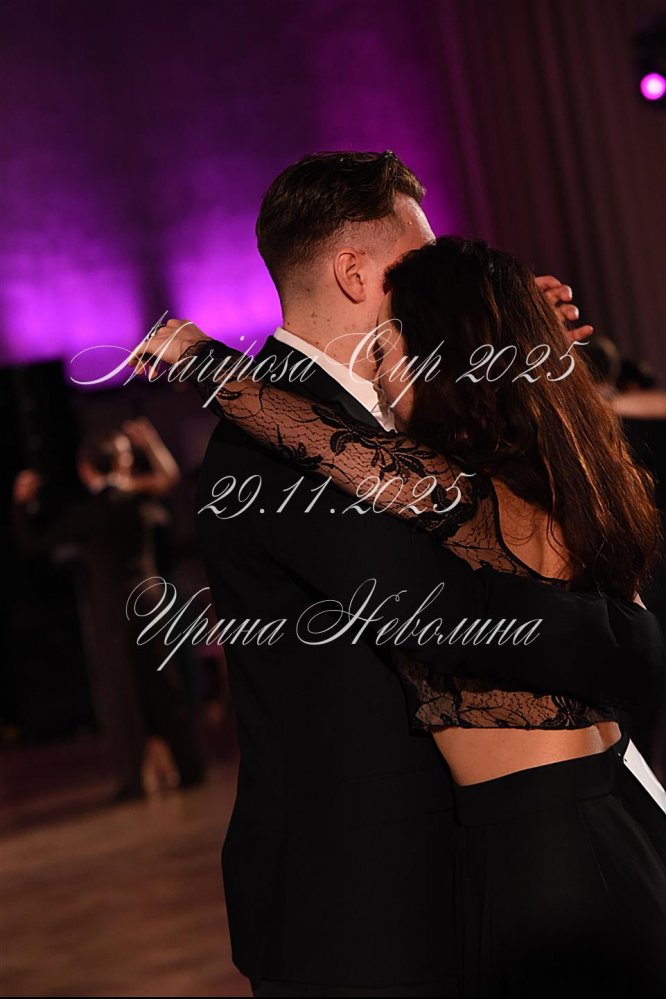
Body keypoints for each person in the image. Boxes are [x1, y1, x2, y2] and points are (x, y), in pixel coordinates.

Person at [129, 151, 620, 998]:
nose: (434, 280)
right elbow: (441, 606)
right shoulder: (263, 447)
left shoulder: (394, 409)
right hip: (358, 902)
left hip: (436, 879)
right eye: (418, 261)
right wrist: (625, 643)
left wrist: (499, 339)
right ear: (355, 274)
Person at [12, 419, 205, 801]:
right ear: (121, 463)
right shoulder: (136, 494)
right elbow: (168, 479)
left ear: (85, 469)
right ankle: (190, 768)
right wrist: (151, 443)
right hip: (151, 600)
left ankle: (134, 781)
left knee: (122, 693)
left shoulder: (86, 512)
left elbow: (34, 543)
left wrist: (22, 505)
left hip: (112, 609)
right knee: (165, 686)